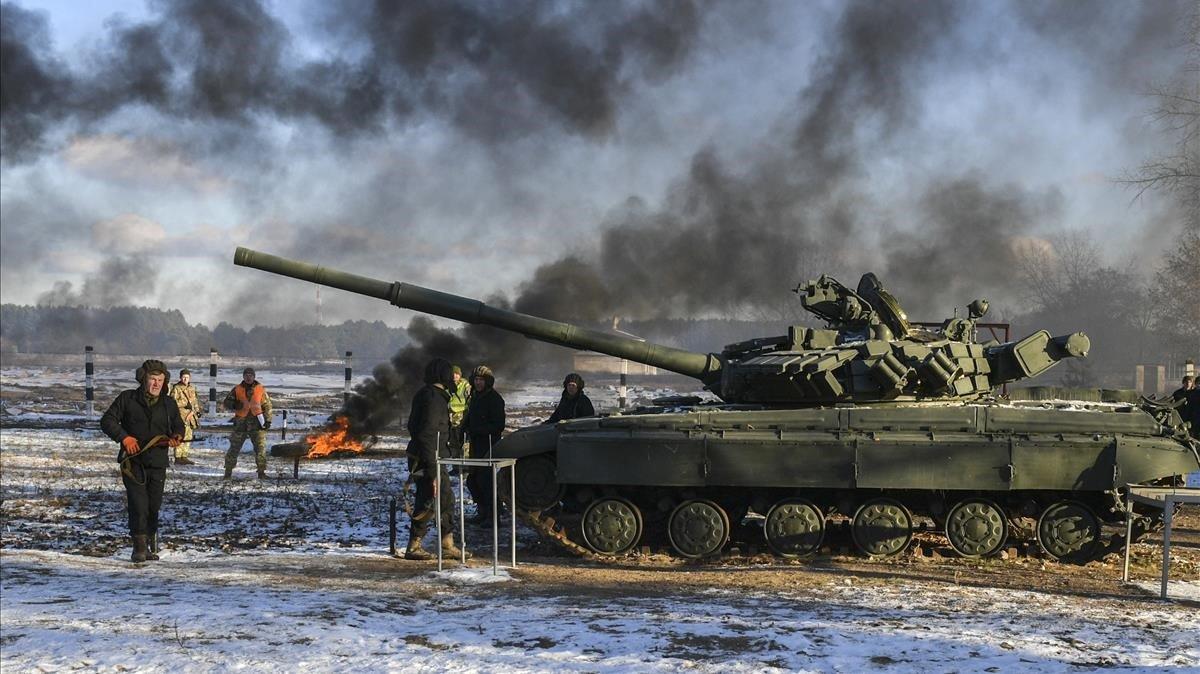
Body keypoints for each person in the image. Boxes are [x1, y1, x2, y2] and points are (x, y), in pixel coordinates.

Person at [100, 359, 184, 563]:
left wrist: (177, 437)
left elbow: (178, 426)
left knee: (153, 506)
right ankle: (138, 548)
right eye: (152, 379)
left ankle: (148, 545)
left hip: (158, 462)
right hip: (133, 463)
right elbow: (107, 421)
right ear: (143, 379)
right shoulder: (127, 398)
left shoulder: (169, 403)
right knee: (139, 504)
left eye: (160, 380)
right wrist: (124, 437)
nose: (156, 384)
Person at [404, 358, 470, 561]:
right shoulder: (433, 398)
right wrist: (433, 469)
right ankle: (415, 546)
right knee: (428, 500)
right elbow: (427, 433)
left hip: (430, 456)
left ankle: (446, 543)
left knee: (444, 499)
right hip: (428, 458)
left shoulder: (430, 395)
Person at [463, 365, 506, 524]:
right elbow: (470, 417)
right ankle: (482, 511)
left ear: (488, 382)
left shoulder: (494, 399)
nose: (478, 383)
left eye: (481, 380)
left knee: (486, 481)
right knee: (472, 480)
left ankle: (494, 515)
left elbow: (498, 425)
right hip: (476, 444)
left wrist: (478, 430)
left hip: (489, 445)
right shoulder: (475, 397)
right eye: (476, 380)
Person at [222, 367, 273, 480]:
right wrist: (235, 405)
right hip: (241, 423)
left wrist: (268, 420)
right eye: (246, 375)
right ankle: (228, 472)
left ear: (254, 376)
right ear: (243, 377)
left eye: (251, 375)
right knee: (234, 448)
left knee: (260, 449)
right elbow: (226, 402)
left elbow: (267, 405)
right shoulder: (237, 389)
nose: (248, 377)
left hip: (257, 423)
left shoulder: (260, 389)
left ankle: (261, 473)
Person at [169, 368, 202, 465]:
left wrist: (197, 411)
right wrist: (184, 403)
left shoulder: (192, 388)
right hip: (180, 416)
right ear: (180, 378)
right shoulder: (176, 388)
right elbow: (172, 402)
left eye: (187, 377)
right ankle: (178, 457)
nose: (185, 379)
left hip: (190, 417)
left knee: (188, 436)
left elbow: (194, 401)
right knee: (180, 436)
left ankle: (184, 456)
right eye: (183, 377)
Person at [447, 365, 470, 459]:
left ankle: (465, 466)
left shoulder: (465, 384)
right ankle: (455, 465)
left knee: (464, 441)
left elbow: (469, 396)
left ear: (460, 375)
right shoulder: (447, 385)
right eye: (453, 374)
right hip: (450, 416)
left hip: (462, 416)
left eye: (456, 374)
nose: (454, 376)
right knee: (453, 441)